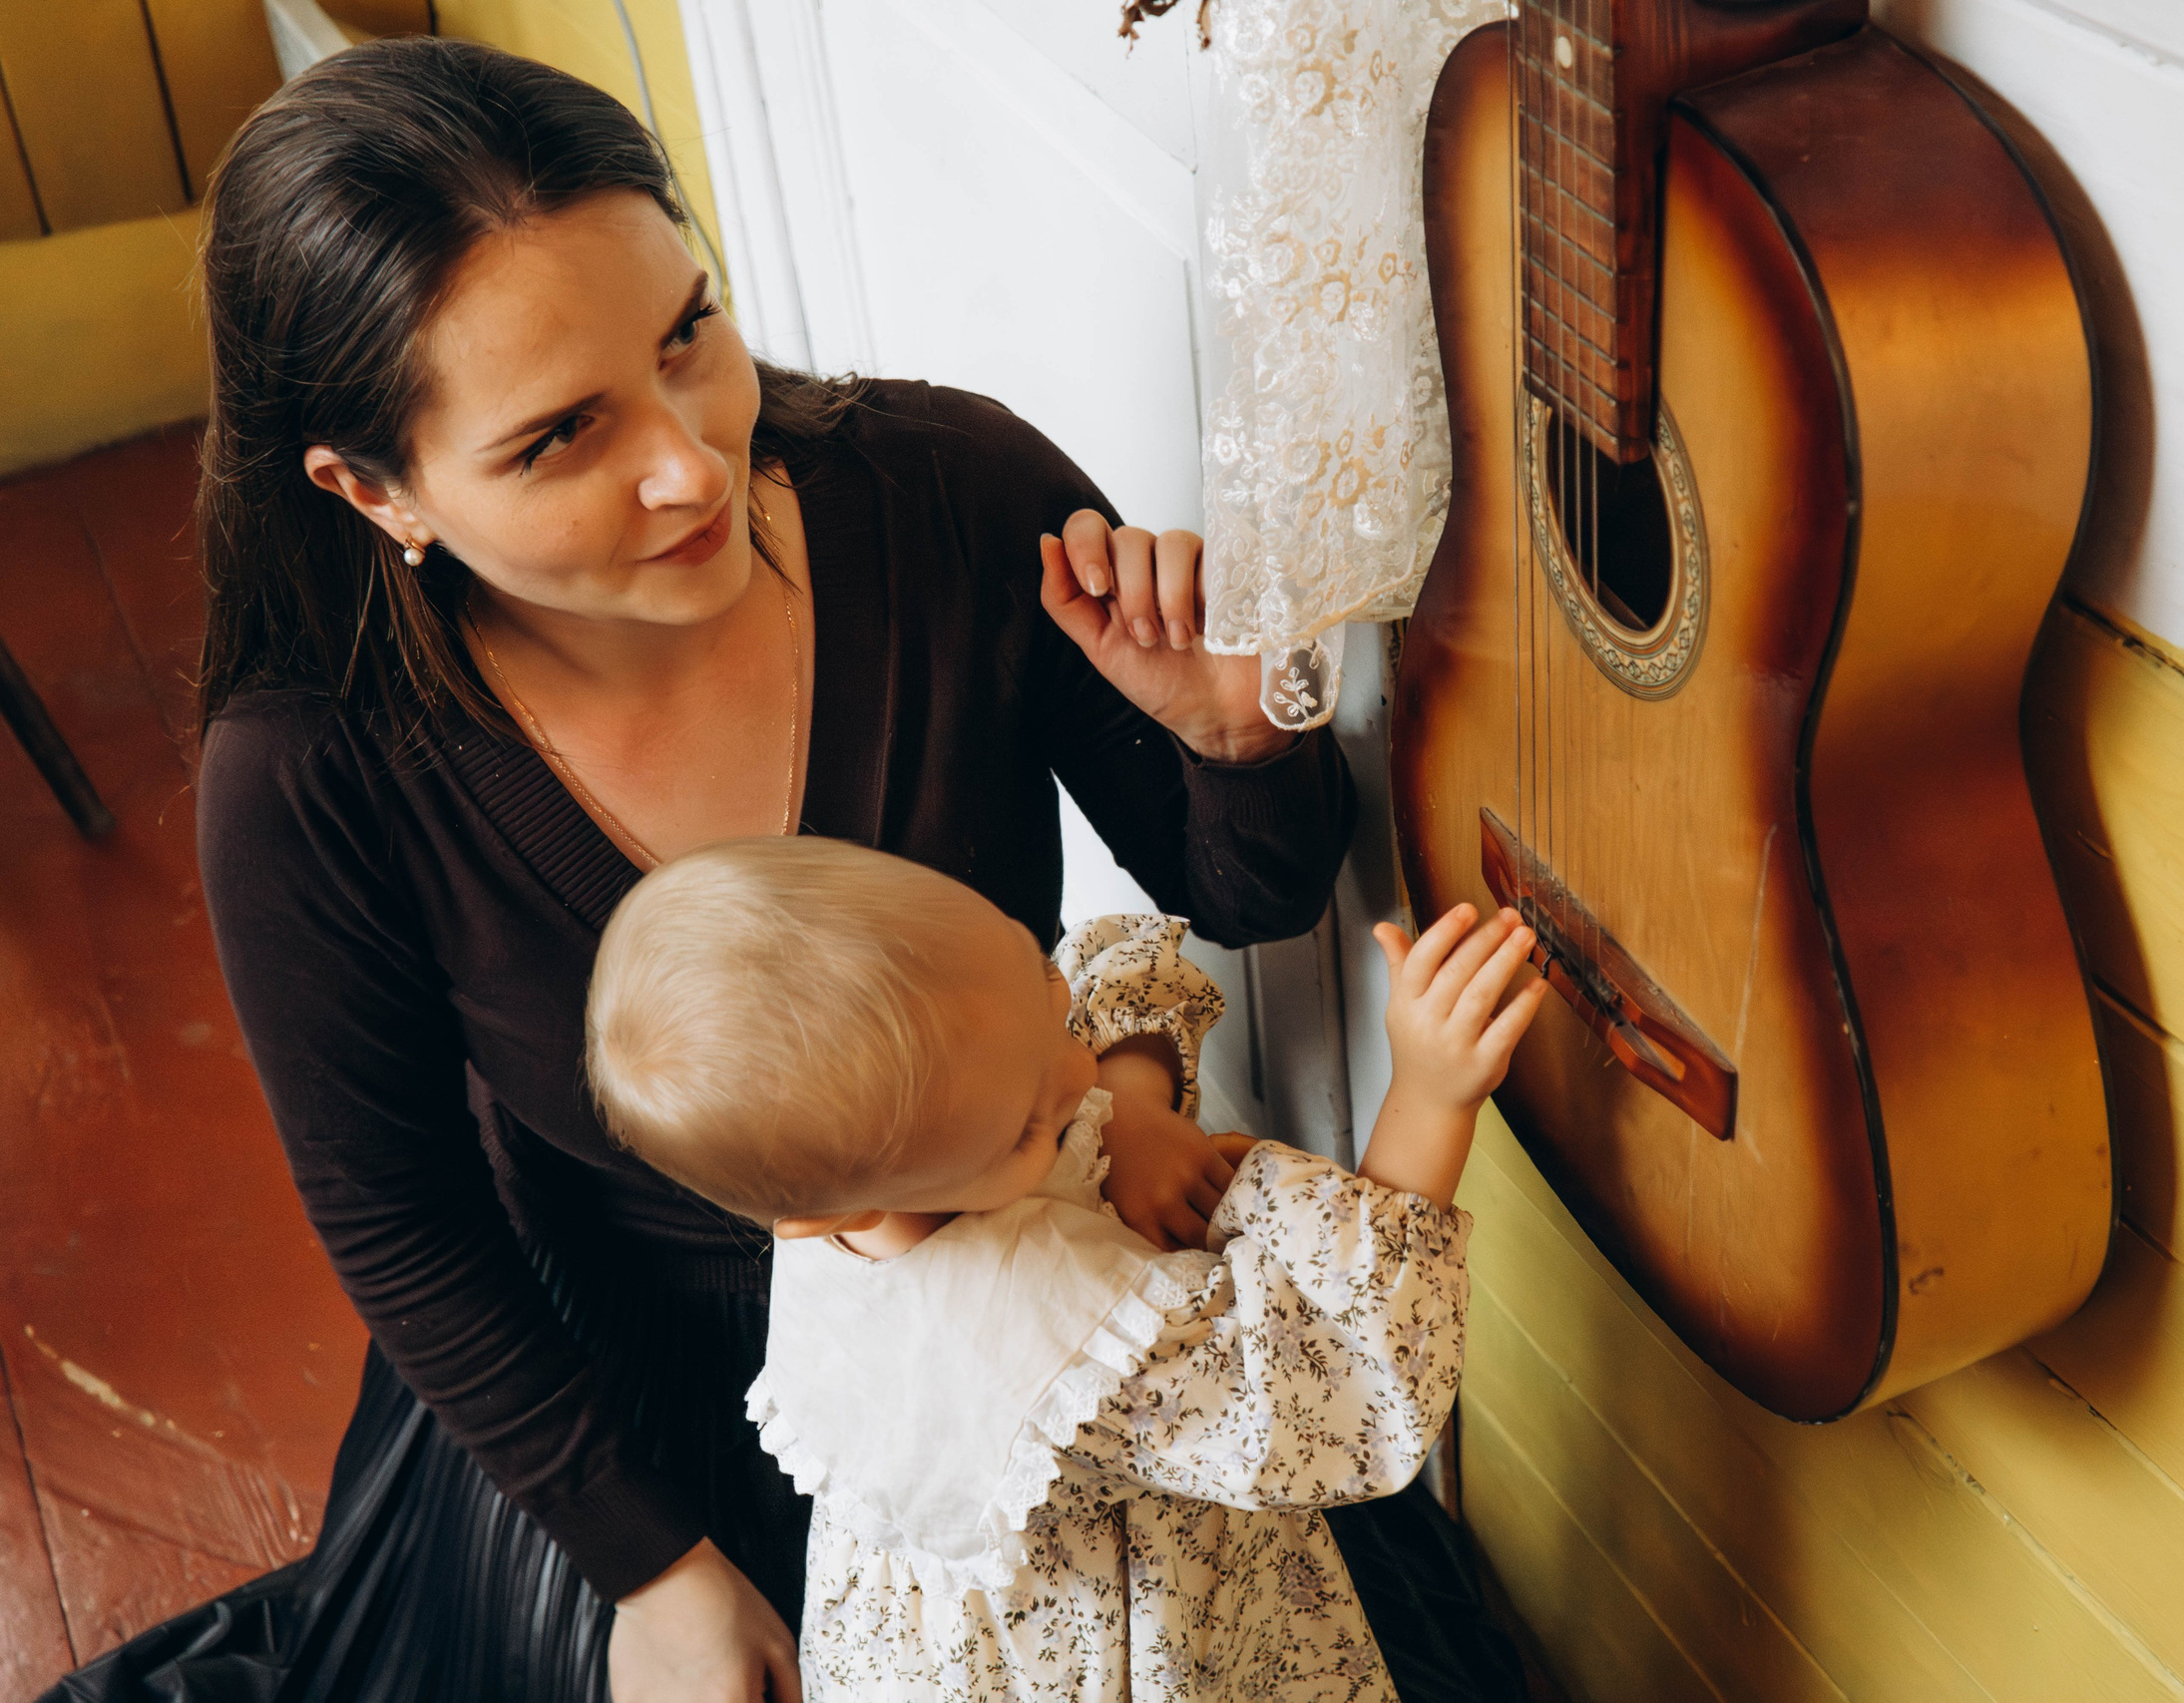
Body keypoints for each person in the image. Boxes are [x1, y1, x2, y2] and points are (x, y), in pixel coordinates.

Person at [44, 33, 1395, 1703]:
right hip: (628, 1401)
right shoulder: (312, 772)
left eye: (689, 333)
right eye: (558, 439)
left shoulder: (953, 495)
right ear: (374, 489)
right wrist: (656, 1569)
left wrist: (1232, 737)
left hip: (1028, 1301)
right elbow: (404, 1225)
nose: (690, 463)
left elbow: (1254, 899)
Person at [583, 834, 1546, 1700]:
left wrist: (1131, 1106)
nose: (1078, 1074)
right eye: (1031, 1127)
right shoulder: (1051, 1336)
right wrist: (1428, 1095)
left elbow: (1076, 1036)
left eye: (1039, 984)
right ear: (838, 1211)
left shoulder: (857, 1175)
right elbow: (1342, 1395)